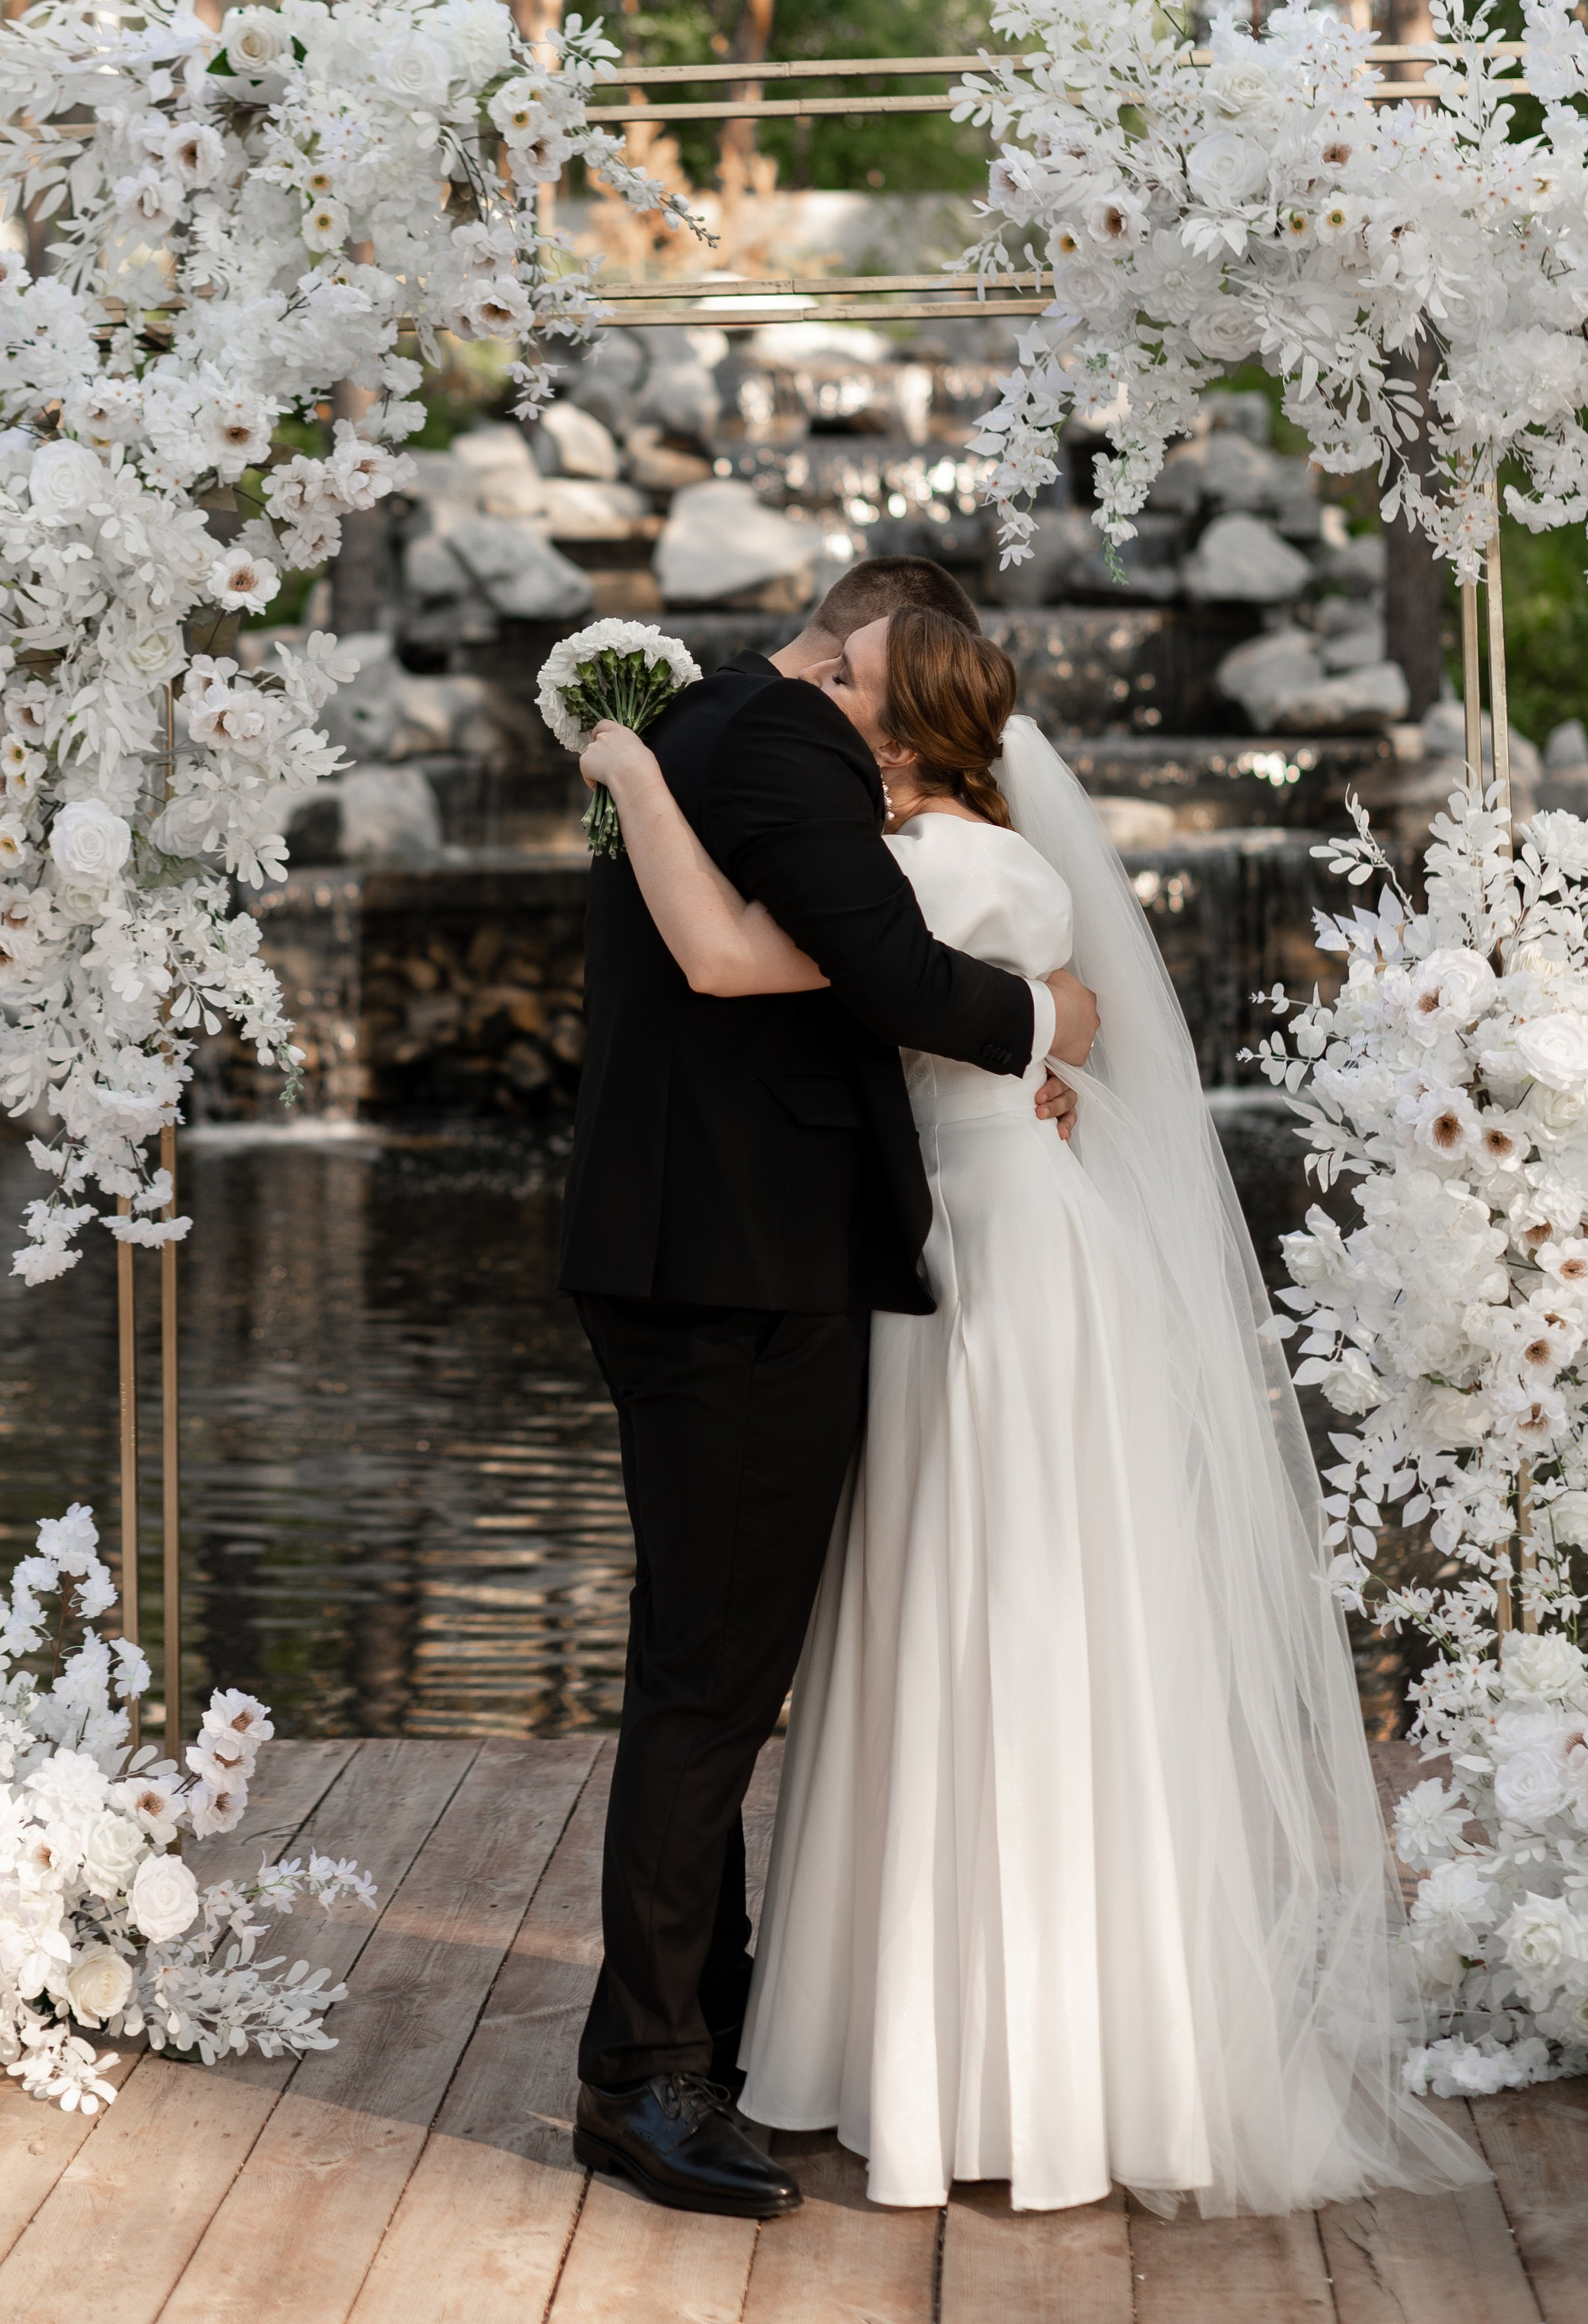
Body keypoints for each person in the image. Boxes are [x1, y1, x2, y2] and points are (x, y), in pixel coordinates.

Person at [578, 604, 1487, 2220]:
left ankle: (821, 2041)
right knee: (1018, 1622)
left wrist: (628, 765)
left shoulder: (910, 860)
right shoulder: (1000, 861)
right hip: (995, 1236)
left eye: (840, 676)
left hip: (968, 1260)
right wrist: (1047, 1024)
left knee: (942, 1620)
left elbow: (744, 958)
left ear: (903, 732)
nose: (810, 686)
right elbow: (918, 997)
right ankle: (1018, 2035)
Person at [559, 559, 1100, 2221]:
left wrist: (630, 763)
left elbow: (787, 960)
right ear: (868, 646)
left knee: (705, 1661)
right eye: (892, 681)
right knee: (712, 1681)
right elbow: (849, 967)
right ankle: (639, 2077)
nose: (880, 731)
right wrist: (1046, 1018)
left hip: (714, 1254)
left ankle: (698, 2031)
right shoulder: (779, 743)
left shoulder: (706, 725)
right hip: (739, 1270)